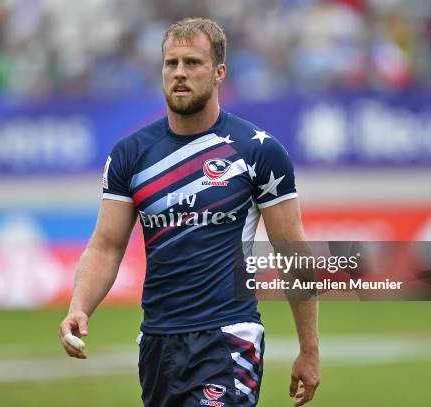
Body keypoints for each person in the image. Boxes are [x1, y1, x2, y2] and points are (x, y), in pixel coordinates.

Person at [59, 17, 320, 407]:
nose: (179, 73)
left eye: (193, 63)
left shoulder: (257, 150)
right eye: (171, 63)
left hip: (227, 337)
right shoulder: (131, 155)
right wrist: (79, 306)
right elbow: (106, 246)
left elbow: (291, 250)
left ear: (219, 73)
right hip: (158, 343)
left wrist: (309, 348)